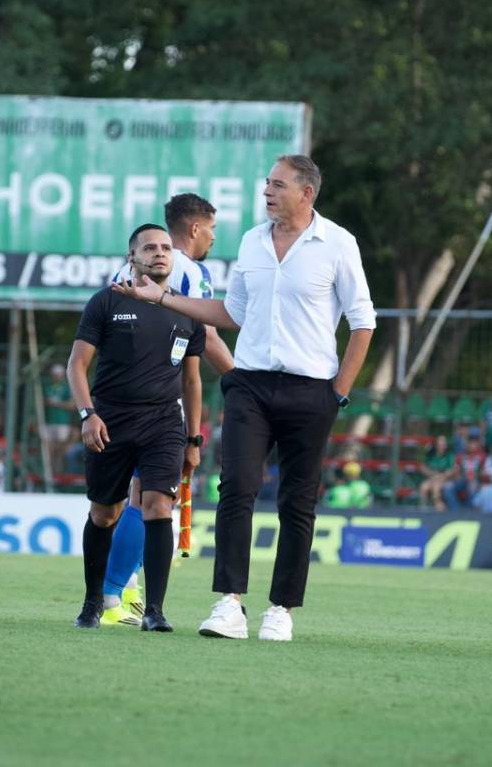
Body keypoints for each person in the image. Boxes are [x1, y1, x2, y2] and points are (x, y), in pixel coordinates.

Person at [113, 154, 375, 641]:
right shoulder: (253, 241)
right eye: (267, 184)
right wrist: (161, 298)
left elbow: (363, 322)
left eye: (278, 185)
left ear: (306, 192)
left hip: (312, 389)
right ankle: (228, 604)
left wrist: (338, 393)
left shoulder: (338, 244)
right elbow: (230, 313)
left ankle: (281, 609)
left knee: (298, 502)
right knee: (236, 488)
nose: (268, 192)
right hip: (250, 384)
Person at [99, 193, 235, 626]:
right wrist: (242, 380)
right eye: (211, 229)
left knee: (131, 501)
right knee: (146, 501)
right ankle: (109, 597)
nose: (213, 237)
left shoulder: (129, 267)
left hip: (119, 398)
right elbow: (206, 337)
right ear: (195, 229)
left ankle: (124, 595)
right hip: (156, 404)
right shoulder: (189, 270)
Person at [69, 224, 205, 633]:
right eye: (149, 248)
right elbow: (76, 365)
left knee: (158, 506)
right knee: (104, 513)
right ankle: (94, 601)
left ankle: (155, 611)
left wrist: (193, 438)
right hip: (110, 421)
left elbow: (193, 380)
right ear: (132, 256)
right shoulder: (107, 301)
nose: (160, 253)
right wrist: (87, 414)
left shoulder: (187, 309)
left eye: (166, 247)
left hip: (164, 422)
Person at [44, 364, 74, 474]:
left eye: (59, 375)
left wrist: (56, 403)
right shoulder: (46, 387)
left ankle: (59, 475)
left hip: (62, 423)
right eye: (55, 375)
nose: (57, 377)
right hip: (48, 422)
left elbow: (72, 405)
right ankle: (49, 474)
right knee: (49, 451)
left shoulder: (66, 388)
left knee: (59, 451)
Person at [418, 435, 456, 511]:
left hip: (445, 479)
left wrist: (441, 476)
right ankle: (424, 508)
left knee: (436, 486)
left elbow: (452, 470)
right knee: (423, 487)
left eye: (444, 444)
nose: (442, 446)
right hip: (432, 477)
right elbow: (423, 467)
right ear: (436, 445)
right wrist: (432, 474)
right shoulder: (431, 454)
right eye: (440, 444)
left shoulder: (449, 455)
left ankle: (438, 507)